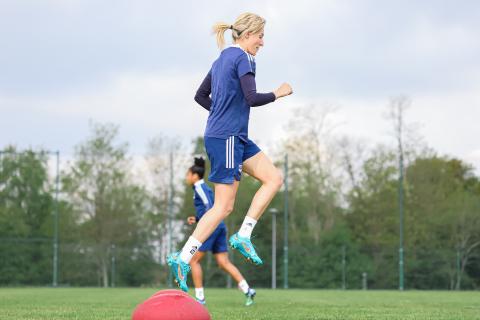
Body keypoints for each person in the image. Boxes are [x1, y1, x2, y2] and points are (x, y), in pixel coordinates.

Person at [167, 12, 293, 293]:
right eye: (260, 36)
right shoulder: (245, 58)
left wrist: (222, 114)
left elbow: (201, 95)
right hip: (227, 137)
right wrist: (278, 93)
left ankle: (243, 235)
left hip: (234, 136)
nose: (262, 42)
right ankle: (182, 257)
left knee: (274, 178)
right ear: (247, 35)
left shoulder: (221, 58)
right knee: (222, 206)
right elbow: (252, 97)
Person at [185, 157, 256, 306]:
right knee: (223, 262)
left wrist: (203, 222)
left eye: (188, 174)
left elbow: (210, 206)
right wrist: (198, 218)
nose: (187, 177)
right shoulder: (204, 188)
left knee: (193, 260)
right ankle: (247, 289)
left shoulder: (199, 188)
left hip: (213, 226)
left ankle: (200, 299)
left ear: (195, 175)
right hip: (220, 225)